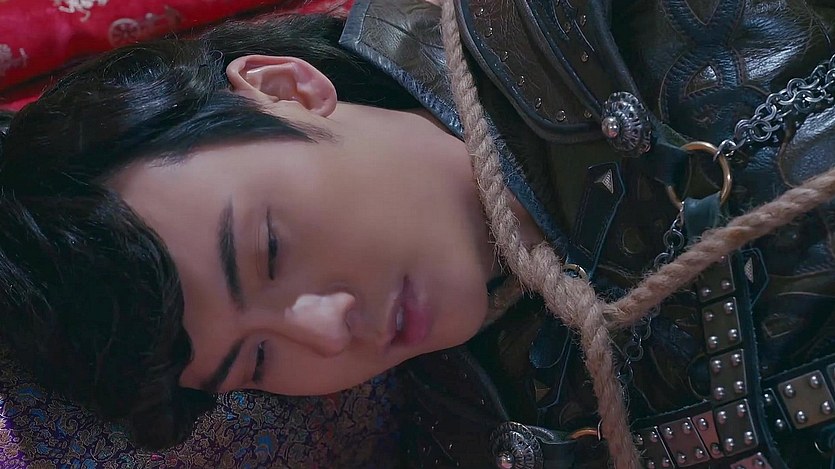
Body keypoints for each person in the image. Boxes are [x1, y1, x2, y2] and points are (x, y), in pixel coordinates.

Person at [1, 0, 834, 467]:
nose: (328, 332)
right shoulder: (459, 428)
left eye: (269, 250)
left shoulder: (604, 23)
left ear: (286, 87)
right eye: (254, 362)